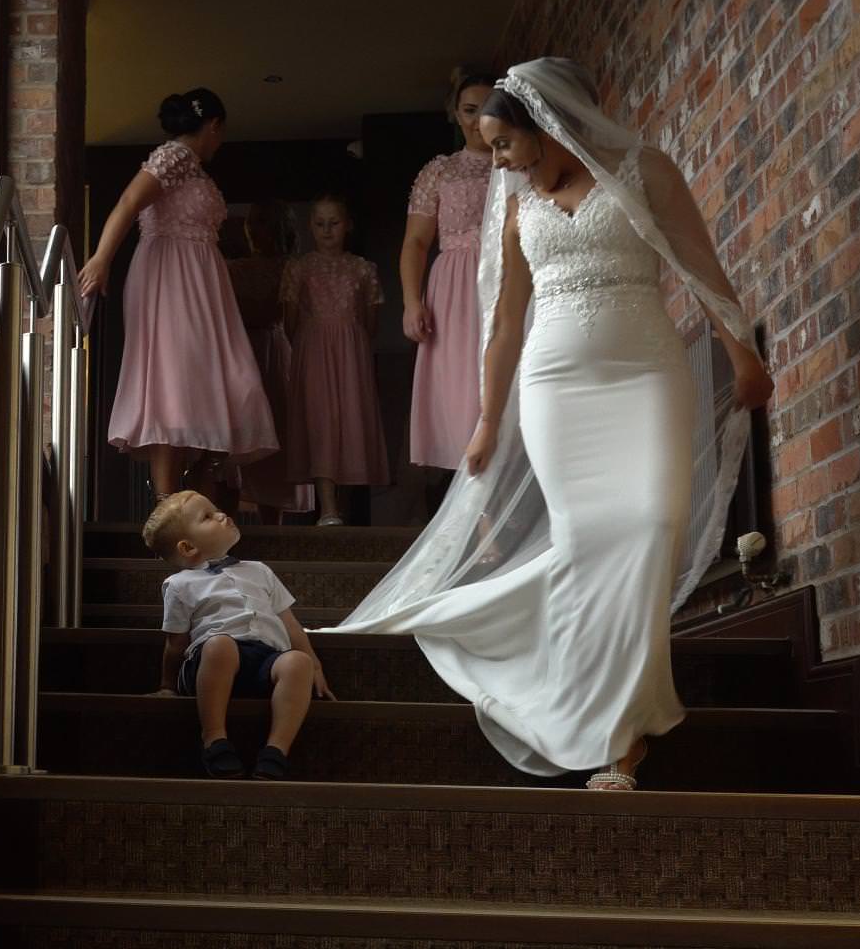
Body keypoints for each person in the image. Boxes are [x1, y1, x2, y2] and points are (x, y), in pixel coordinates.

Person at [325, 58, 773, 791]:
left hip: (647, 374)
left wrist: (741, 354)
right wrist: (487, 420)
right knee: (587, 539)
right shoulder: (516, 205)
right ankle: (619, 738)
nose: (493, 157)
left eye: (503, 143)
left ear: (546, 125)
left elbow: (700, 267)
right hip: (555, 386)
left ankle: (604, 700)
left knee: (653, 526)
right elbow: (504, 324)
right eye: (487, 143)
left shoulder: (643, 170)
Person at [79, 89, 277, 500]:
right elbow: (130, 201)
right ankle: (168, 505)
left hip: (201, 281)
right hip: (171, 276)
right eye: (220, 134)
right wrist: (101, 259)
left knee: (217, 383)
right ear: (214, 126)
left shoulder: (194, 170)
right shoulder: (176, 156)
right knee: (174, 384)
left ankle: (193, 492)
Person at [144, 490, 335, 779]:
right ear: (188, 547)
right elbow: (176, 643)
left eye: (216, 509)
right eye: (207, 517)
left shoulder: (259, 571)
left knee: (297, 662)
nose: (222, 515)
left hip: (265, 660)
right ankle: (214, 739)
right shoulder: (180, 584)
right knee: (219, 644)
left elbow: (289, 623)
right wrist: (167, 685)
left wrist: (315, 663)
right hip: (212, 662)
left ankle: (276, 751)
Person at [403, 67, 498, 474]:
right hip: (455, 288)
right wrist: (411, 302)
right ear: (456, 115)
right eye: (469, 110)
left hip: (507, 278)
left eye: (487, 109)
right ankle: (477, 520)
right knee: (464, 393)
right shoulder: (440, 170)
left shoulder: (521, 161)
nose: (477, 120)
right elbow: (416, 242)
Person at [282, 192, 391, 524]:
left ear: (348, 226)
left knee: (349, 421)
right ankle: (327, 506)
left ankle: (337, 507)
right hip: (314, 350)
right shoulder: (299, 268)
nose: (327, 230)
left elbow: (371, 321)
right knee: (320, 420)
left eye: (334, 223)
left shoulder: (362, 269)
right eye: (320, 224)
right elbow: (288, 320)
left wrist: (350, 339)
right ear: (310, 227)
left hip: (351, 351)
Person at [224, 207, 313, 520]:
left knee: (275, 429)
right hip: (248, 349)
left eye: (261, 226)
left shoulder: (291, 269)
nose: (255, 233)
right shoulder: (235, 270)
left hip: (271, 349)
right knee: (245, 429)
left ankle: (269, 521)